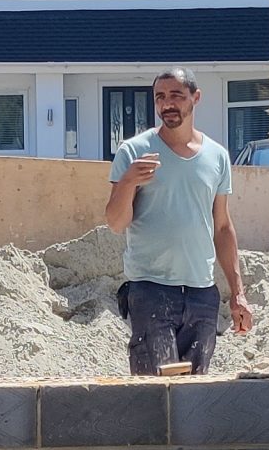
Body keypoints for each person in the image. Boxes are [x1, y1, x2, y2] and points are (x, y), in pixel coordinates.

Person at [103, 68, 254, 375]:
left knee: (194, 393)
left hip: (202, 293)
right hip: (150, 290)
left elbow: (222, 227)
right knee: (156, 392)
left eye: (176, 95)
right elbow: (116, 223)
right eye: (160, 97)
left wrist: (237, 293)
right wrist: (128, 181)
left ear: (195, 98)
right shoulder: (134, 152)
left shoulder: (217, 156)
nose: (167, 104)